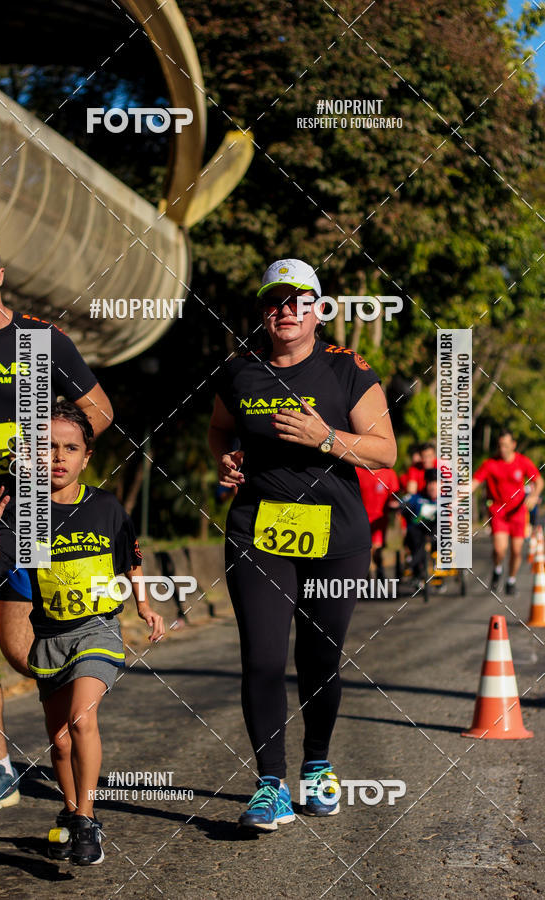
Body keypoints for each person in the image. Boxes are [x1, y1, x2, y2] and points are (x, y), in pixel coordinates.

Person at [208, 258, 396, 832]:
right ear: (264, 309)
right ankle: (269, 784)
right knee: (262, 658)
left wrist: (326, 437)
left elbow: (386, 451)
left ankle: (317, 764)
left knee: (318, 658)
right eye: (275, 301)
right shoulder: (239, 370)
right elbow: (219, 428)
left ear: (318, 309)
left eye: (298, 301)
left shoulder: (346, 371)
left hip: (337, 538)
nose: (285, 311)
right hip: (258, 531)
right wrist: (227, 456)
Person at [0, 227, 113, 812]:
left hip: (35, 516)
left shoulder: (40, 343)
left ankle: (74, 735)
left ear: (1, 272)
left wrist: (52, 450)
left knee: (25, 651)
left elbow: (99, 411)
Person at [0, 401, 165, 864]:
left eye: (70, 448)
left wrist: (143, 604)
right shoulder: (27, 515)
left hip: (98, 630)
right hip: (49, 639)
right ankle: (70, 811)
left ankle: (87, 818)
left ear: (86, 458)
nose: (58, 456)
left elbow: (131, 556)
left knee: (83, 720)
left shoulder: (104, 506)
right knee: (59, 739)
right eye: (47, 447)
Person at [471, 430, 543, 595]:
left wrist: (534, 495)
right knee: (500, 549)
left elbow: (539, 481)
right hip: (498, 512)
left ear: (513, 445)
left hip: (518, 513)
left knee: (517, 551)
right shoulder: (490, 463)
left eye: (505, 445)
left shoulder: (522, 462)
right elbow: (475, 482)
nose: (502, 448)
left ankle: (511, 579)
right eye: (500, 445)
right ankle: (497, 569)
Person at [356, 466, 400, 581]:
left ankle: (380, 572)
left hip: (380, 520)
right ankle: (367, 578)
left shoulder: (389, 473)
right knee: (364, 551)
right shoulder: (358, 471)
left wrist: (395, 505)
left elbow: (395, 495)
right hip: (361, 518)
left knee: (377, 549)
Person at [399, 469, 439, 590]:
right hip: (417, 534)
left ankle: (432, 569)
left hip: (435, 533)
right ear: (426, 484)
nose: (433, 486)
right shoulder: (417, 498)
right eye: (430, 483)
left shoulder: (446, 500)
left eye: (435, 483)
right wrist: (401, 506)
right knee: (415, 535)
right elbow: (403, 502)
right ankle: (415, 568)